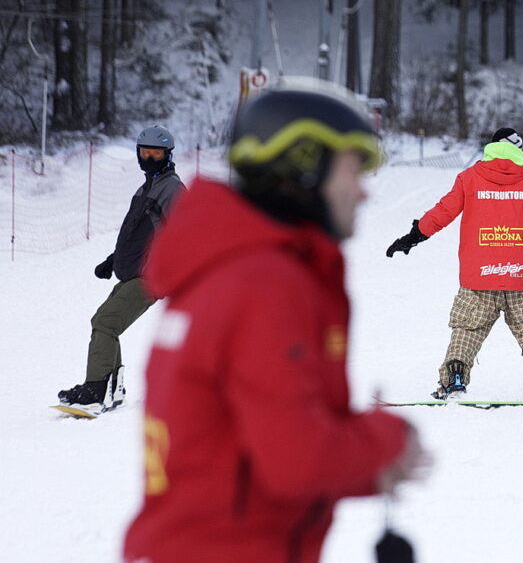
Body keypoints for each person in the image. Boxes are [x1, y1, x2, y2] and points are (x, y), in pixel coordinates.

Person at [123, 84, 427, 563]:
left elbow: (248, 452)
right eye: (353, 169)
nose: (363, 191)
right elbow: (296, 460)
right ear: (304, 165)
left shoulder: (229, 271)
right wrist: (387, 439)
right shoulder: (264, 282)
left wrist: (366, 469)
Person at [386, 127, 523, 400]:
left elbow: (442, 212)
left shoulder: (469, 178)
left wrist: (413, 237)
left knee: (467, 330)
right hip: (522, 276)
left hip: (479, 277)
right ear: (517, 149)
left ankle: (454, 380)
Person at [55, 125, 185, 415]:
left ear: (168, 155)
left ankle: (95, 390)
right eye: (145, 152)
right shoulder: (146, 188)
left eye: (157, 153)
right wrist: (114, 259)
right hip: (134, 272)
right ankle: (112, 386)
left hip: (151, 277)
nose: (150, 157)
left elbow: (184, 233)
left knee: (105, 323)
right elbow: (139, 233)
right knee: (103, 322)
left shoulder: (173, 189)